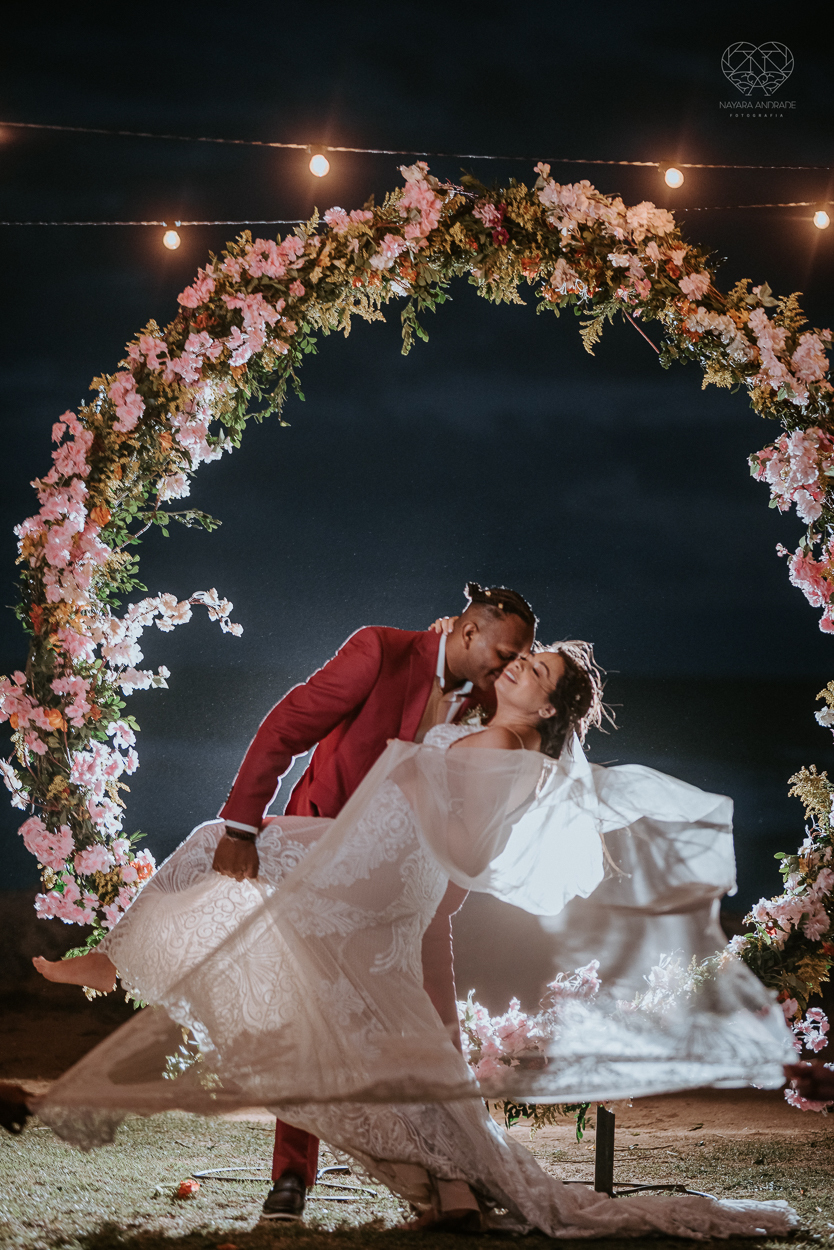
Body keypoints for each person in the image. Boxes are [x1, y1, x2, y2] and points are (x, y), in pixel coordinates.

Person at [33, 639, 798, 1238]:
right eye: (526, 658)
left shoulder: (508, 755)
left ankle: (113, 961)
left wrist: (416, 787)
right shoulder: (492, 736)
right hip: (370, 861)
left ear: (545, 709)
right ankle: (451, 1185)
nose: (519, 668)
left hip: (380, 873)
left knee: (211, 845)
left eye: (535, 671)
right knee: (381, 1032)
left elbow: (467, 847)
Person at [40, 581, 536, 1223]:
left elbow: (494, 788)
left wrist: (450, 889)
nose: (507, 666)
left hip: (414, 893)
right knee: (302, 1018)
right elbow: (287, 725)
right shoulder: (379, 652)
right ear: (468, 633)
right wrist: (245, 826)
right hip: (323, 861)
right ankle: (291, 1180)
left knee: (436, 1038)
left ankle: (460, 1182)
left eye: (516, 657)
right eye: (503, 651)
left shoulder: (492, 695)